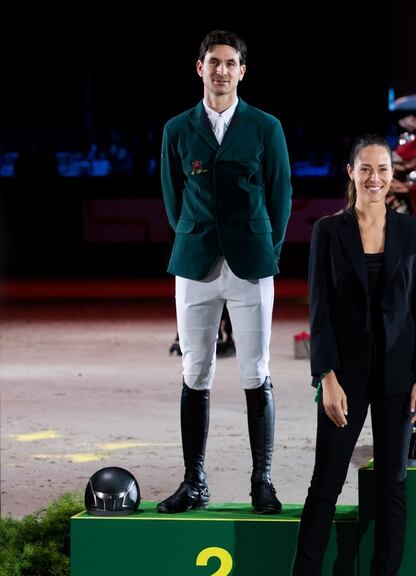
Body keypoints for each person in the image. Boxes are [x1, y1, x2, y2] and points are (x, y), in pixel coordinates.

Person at [158, 30, 292, 515]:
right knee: (195, 372)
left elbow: (281, 197)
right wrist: (195, 236)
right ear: (199, 68)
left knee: (256, 372)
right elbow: (173, 201)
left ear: (242, 71)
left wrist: (263, 248)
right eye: (212, 61)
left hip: (252, 263)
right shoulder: (177, 129)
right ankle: (194, 482)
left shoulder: (265, 127)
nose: (220, 70)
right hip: (194, 264)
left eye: (229, 62)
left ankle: (263, 481)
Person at [293, 135, 416, 575]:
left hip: (399, 373)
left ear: (393, 177)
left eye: (383, 170)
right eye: (366, 169)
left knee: (393, 483)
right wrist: (327, 377)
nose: (374, 178)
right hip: (346, 375)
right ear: (351, 173)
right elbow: (319, 309)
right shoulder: (327, 231)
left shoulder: (412, 232)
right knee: (327, 482)